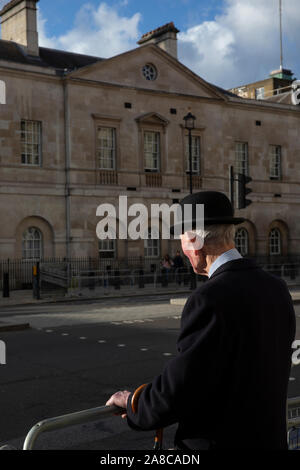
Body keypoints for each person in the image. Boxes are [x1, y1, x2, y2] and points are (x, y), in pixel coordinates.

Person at [106, 191, 296, 449]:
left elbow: (180, 389)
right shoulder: (276, 288)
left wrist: (133, 402)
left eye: (182, 240)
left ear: (195, 242)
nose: (181, 250)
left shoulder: (209, 298)